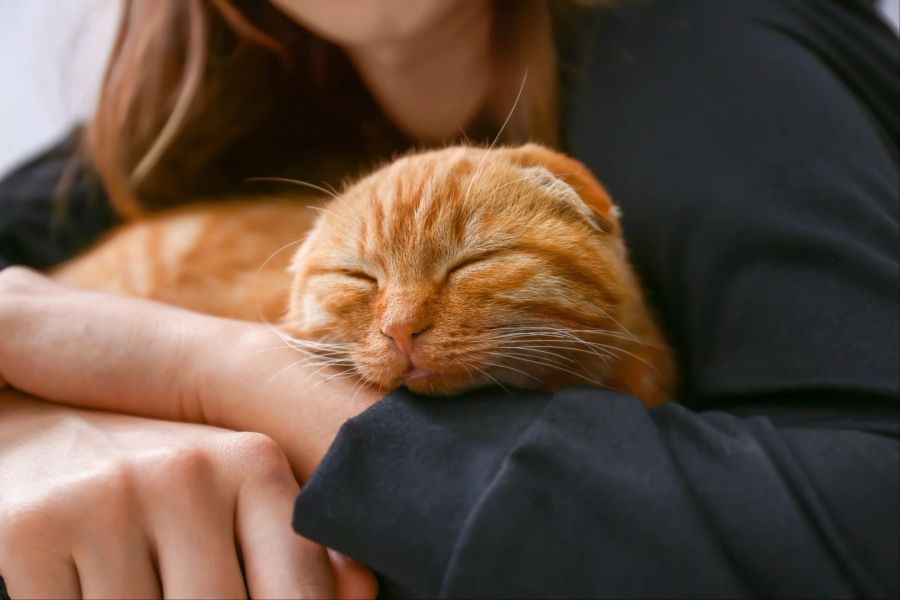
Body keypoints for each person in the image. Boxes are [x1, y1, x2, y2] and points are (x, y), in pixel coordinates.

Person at [1, 0, 897, 597]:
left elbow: (868, 527)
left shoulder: (705, 45)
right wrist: (22, 424)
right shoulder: (203, 106)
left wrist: (215, 369)